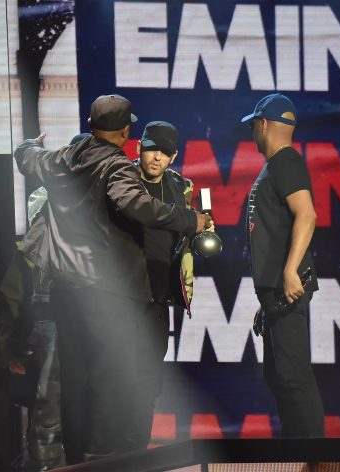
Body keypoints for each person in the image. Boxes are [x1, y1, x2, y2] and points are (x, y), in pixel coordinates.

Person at [14, 94, 211, 463]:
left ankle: (78, 457)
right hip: (103, 292)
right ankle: (102, 459)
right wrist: (190, 219)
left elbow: (27, 159)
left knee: (77, 378)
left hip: (65, 289)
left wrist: (27, 144)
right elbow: (137, 205)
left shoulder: (63, 158)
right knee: (110, 377)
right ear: (126, 133)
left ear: (89, 125)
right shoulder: (117, 166)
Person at [241, 94, 324, 438]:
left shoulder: (285, 161)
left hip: (287, 287)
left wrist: (290, 272)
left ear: (262, 124)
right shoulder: (277, 164)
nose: (252, 133)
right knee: (279, 377)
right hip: (276, 292)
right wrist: (268, 298)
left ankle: (314, 458)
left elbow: (307, 214)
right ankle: (296, 452)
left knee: (294, 377)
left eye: (253, 126)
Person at [130, 120, 197, 449]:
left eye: (165, 152)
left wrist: (200, 237)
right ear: (138, 147)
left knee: (148, 381)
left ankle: (136, 455)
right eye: (152, 148)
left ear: (174, 156)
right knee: (113, 378)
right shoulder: (120, 180)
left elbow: (189, 233)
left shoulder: (179, 187)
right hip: (119, 296)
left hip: (156, 298)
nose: (156, 157)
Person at [0, 187, 62, 471]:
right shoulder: (27, 255)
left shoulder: (79, 252)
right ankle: (42, 463)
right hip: (41, 340)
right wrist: (9, 350)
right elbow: (9, 302)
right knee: (45, 406)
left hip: (71, 337)